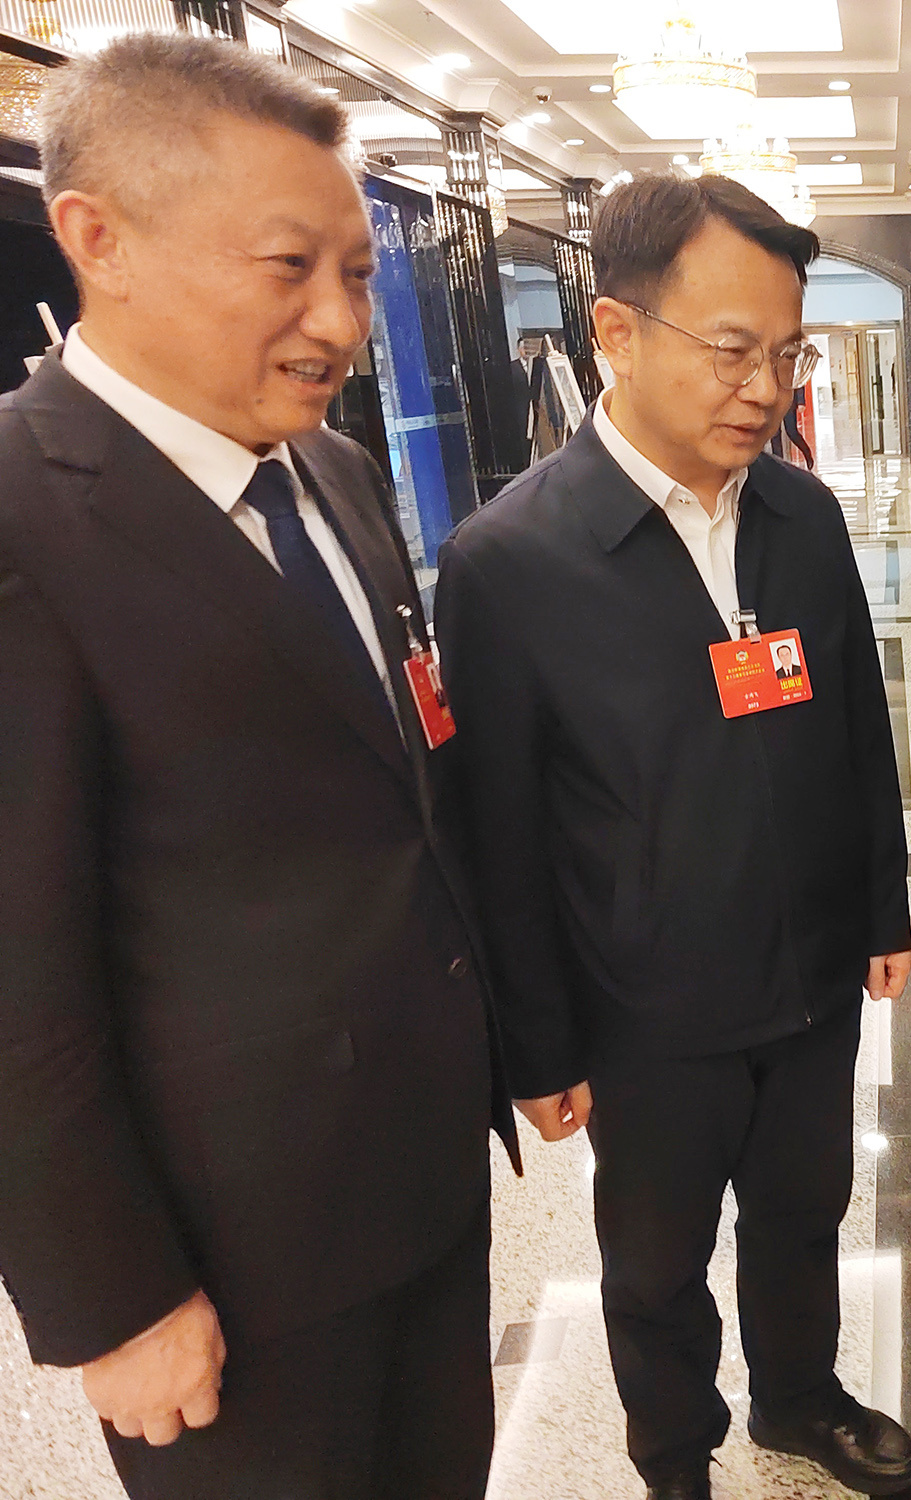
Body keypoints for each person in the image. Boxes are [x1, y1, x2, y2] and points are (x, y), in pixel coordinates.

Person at [0, 34, 514, 1500]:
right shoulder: (23, 516)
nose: (336, 321)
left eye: (354, 273)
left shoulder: (334, 474)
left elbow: (396, 794)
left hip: (420, 1177)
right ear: (97, 237)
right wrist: (112, 1300)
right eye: (288, 267)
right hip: (226, 1258)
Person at [436, 173, 911, 1500]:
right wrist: (538, 1045)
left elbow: (856, 731)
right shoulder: (510, 562)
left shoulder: (801, 516)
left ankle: (800, 1398)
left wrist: (880, 910)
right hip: (641, 1006)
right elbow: (500, 834)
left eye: (787, 354)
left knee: (804, 1212)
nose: (764, 389)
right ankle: (673, 1457)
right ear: (616, 332)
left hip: (810, 970)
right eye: (731, 350)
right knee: (654, 1266)